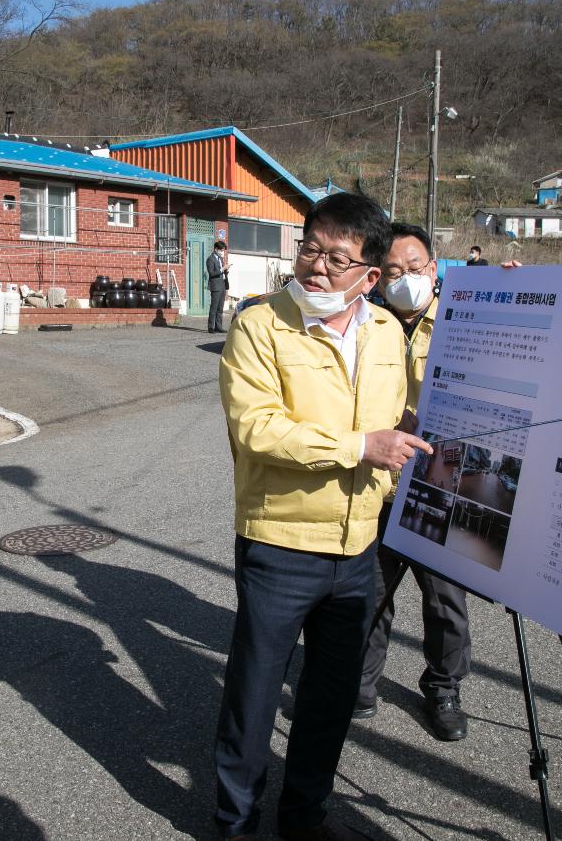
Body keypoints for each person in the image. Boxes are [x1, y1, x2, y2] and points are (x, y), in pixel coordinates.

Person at [213, 193, 433, 841]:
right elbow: (257, 429)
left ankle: (303, 814)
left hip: (360, 548)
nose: (316, 266)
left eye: (337, 258)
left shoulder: (389, 332)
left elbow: (408, 408)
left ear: (371, 275)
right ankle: (234, 822)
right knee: (253, 697)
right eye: (310, 247)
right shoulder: (259, 325)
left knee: (329, 700)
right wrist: (360, 446)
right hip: (279, 543)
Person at [357, 222, 473, 742]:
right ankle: (360, 683)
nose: (407, 279)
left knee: (444, 597)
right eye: (395, 271)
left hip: (440, 483)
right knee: (371, 593)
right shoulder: (364, 321)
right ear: (379, 277)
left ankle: (444, 686)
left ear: (435, 267)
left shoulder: (463, 316)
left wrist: (514, 291)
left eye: (417, 267)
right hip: (381, 482)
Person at [207, 240, 230, 333]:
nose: (222, 252)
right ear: (216, 249)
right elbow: (211, 273)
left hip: (223, 284)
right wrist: (222, 269)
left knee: (220, 308)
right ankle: (211, 327)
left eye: (223, 250)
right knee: (214, 307)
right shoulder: (210, 259)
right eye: (221, 250)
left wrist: (225, 271)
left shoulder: (220, 259)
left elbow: (221, 271)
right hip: (215, 285)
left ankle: (218, 326)